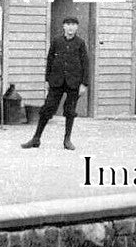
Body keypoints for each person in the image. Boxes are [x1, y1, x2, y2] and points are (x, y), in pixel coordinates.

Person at [21, 16, 88, 151]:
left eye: (73, 25)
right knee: (47, 109)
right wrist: (47, 79)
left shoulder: (80, 43)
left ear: (77, 27)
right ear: (63, 26)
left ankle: (67, 140)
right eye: (68, 24)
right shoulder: (56, 41)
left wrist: (84, 84)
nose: (70, 27)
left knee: (70, 111)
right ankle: (36, 138)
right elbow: (50, 60)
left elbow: (85, 64)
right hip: (56, 81)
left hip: (73, 82)